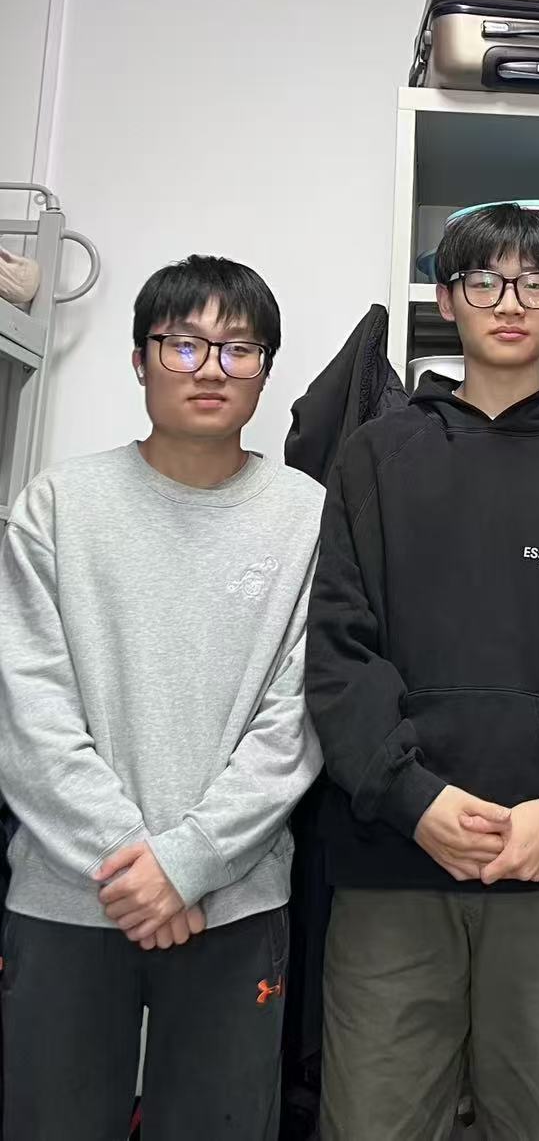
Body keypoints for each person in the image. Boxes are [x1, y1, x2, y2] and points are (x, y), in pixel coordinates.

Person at [305, 203, 539, 1141]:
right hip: (394, 868)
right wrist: (412, 798)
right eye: (484, 280)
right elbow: (338, 654)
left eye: (535, 284)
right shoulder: (375, 454)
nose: (509, 303)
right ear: (447, 299)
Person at [0, 255, 324, 1141]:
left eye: (238, 348)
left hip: (235, 901)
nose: (211, 368)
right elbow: (27, 709)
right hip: (69, 900)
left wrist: (187, 863)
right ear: (139, 359)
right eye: (183, 344)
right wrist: (135, 862)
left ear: (265, 368)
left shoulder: (307, 516)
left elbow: (297, 717)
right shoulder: (57, 504)